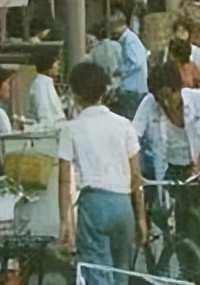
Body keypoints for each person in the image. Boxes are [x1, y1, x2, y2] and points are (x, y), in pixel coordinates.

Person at [57, 62, 147, 285]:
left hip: (93, 205)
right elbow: (137, 177)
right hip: (123, 204)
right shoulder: (125, 125)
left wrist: (65, 222)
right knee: (122, 269)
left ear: (75, 95)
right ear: (104, 92)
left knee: (96, 271)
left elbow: (64, 179)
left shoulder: (71, 129)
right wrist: (141, 218)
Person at [133, 62, 200, 258]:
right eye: (161, 99)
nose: (166, 104)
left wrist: (199, 167)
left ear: (179, 89)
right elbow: (132, 136)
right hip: (175, 168)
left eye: (169, 96)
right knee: (169, 216)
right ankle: (190, 263)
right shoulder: (149, 105)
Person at [110, 12, 148, 117]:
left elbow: (135, 62)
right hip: (131, 87)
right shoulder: (128, 40)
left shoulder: (129, 40)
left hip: (133, 87)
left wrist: (120, 70)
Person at [27, 46, 66, 126]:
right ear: (49, 66)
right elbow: (44, 112)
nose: (58, 68)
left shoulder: (45, 83)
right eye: (57, 64)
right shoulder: (40, 85)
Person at [90, 24, 123, 94]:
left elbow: (92, 69)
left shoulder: (94, 51)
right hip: (119, 84)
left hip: (104, 86)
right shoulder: (117, 46)